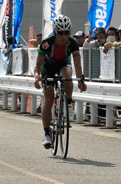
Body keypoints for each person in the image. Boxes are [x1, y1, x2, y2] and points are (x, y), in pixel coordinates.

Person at [33, 15, 87, 149]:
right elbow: (38, 65)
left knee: (67, 75)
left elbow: (77, 65)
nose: (63, 36)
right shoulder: (46, 43)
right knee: (49, 97)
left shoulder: (72, 43)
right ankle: (46, 134)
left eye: (67, 33)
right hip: (48, 68)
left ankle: (68, 104)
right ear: (55, 32)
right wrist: (37, 76)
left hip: (63, 65)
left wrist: (80, 80)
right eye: (60, 33)